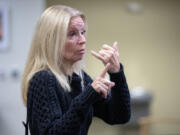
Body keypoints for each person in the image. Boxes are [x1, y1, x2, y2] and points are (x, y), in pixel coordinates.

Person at [21, 5, 131, 135]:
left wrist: (116, 72)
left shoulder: (79, 78)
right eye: (72, 34)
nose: (83, 40)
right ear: (52, 40)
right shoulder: (43, 79)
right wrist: (88, 96)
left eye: (82, 32)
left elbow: (119, 116)